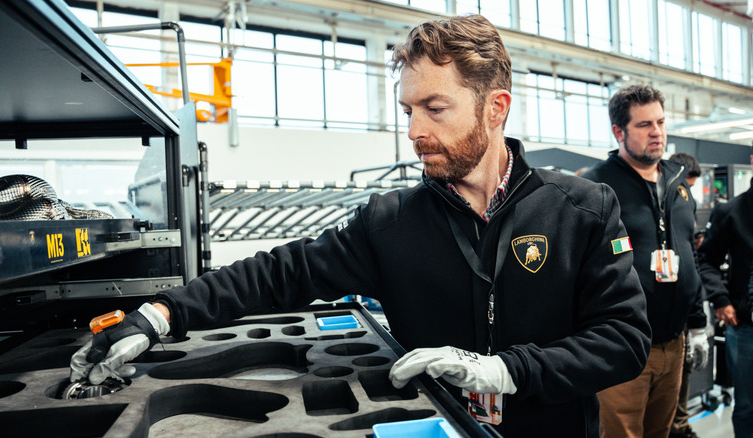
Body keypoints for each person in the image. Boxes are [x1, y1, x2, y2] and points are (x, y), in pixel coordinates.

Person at [70, 15, 650, 437]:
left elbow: (623, 341)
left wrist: (506, 369)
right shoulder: (391, 223)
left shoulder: (583, 209)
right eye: (408, 110)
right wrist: (162, 313)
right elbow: (279, 272)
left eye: (435, 108)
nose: (415, 130)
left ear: (495, 108)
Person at [582, 84, 709, 438]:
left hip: (674, 343)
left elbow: (689, 257)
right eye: (644, 125)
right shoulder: (596, 190)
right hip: (623, 349)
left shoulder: (678, 186)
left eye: (661, 122)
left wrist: (697, 325)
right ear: (618, 132)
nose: (657, 132)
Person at [695, 144, 753, 438]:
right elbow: (706, 260)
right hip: (745, 329)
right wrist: (720, 300)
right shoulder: (732, 211)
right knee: (746, 406)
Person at [666, 152, 704, 438]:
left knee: (684, 372)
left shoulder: (684, 205)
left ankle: (680, 425)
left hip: (682, 320)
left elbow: (691, 266)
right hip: (657, 322)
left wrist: (698, 324)